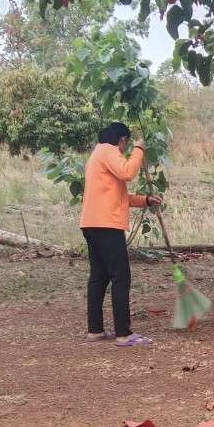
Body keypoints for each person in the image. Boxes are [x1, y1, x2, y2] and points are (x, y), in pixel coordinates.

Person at [80, 122, 161, 347]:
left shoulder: (96, 156)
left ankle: (95, 330)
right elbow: (128, 172)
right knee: (120, 277)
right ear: (122, 140)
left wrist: (145, 200)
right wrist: (140, 149)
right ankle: (124, 334)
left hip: (91, 223)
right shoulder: (108, 151)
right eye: (126, 145)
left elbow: (117, 196)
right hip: (107, 226)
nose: (125, 150)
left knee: (99, 277)